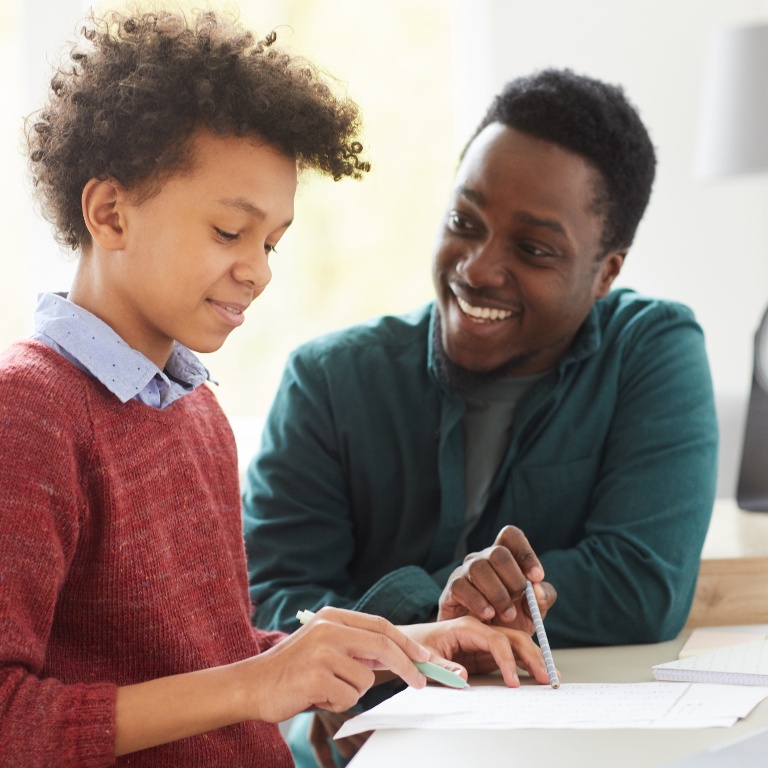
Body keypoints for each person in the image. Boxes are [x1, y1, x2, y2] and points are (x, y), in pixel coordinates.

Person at [0, 10, 554, 766]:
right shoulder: (28, 414)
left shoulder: (194, 411)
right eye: (230, 232)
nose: (258, 270)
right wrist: (257, 682)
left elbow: (218, 663)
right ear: (110, 213)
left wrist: (405, 646)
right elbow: (10, 718)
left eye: (272, 243)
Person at [242, 68, 719, 765]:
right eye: (465, 222)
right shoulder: (328, 381)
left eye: (533, 249)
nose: (478, 267)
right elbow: (272, 607)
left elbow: (640, 583)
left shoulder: (649, 351)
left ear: (606, 272)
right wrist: (439, 615)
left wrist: (425, 609)